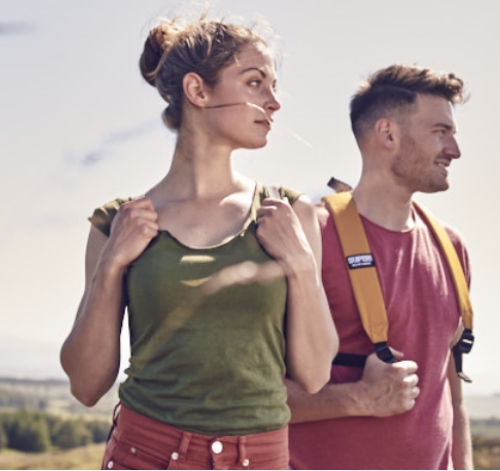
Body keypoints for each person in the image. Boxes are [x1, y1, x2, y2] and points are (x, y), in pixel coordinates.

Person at [60, 13, 338, 470]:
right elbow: (86, 385)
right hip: (143, 455)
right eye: (254, 83)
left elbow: (314, 373)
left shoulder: (289, 214)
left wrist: (302, 267)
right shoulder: (118, 222)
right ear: (198, 91)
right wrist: (110, 266)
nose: (273, 102)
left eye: (273, 85)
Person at [286, 64, 474, 469]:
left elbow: (452, 396)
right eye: (440, 133)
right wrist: (358, 398)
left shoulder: (452, 248)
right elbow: (253, 395)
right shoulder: (309, 234)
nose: (454, 151)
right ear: (388, 133)